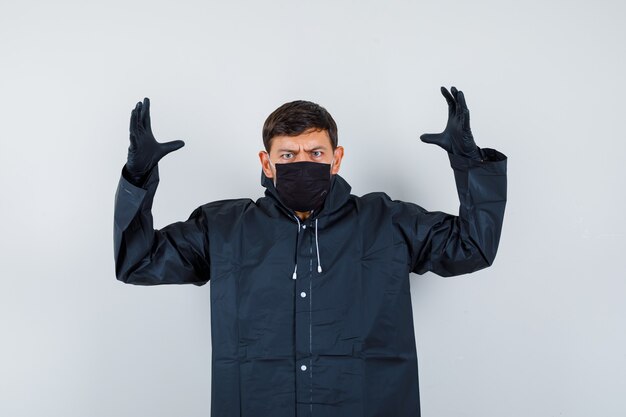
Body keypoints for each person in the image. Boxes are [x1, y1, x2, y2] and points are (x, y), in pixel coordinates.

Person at [113, 87, 507, 417]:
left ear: (337, 158)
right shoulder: (225, 228)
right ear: (267, 163)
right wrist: (139, 178)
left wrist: (469, 164)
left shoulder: (386, 221)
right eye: (288, 155)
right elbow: (139, 261)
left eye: (316, 153)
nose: (302, 163)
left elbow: (471, 247)